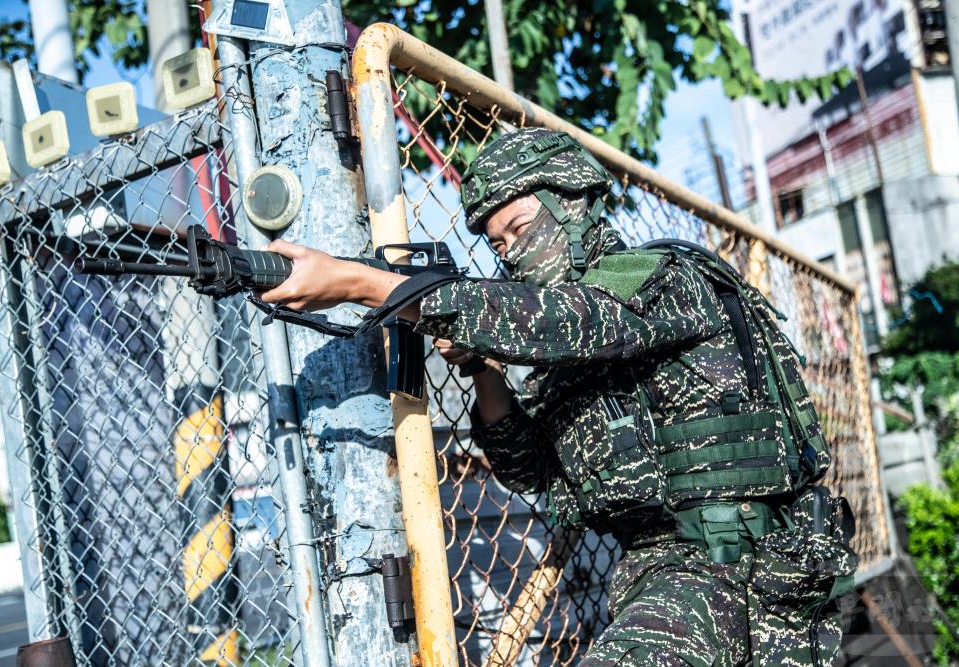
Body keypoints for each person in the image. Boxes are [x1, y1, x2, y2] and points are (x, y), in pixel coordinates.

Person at [259, 128, 858, 666]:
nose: (511, 254)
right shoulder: (568, 354)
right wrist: (485, 370)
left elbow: (565, 321)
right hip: (660, 568)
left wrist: (361, 283)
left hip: (744, 561)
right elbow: (530, 469)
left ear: (571, 203)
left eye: (520, 228)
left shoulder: (659, 280)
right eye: (497, 246)